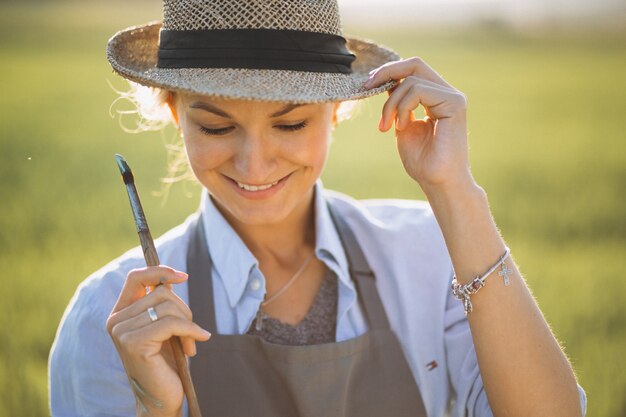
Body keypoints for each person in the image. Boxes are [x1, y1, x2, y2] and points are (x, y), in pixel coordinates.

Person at [49, 1, 587, 416]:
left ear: (337, 110)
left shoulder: (429, 255)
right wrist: (154, 408)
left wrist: (456, 191)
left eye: (290, 124)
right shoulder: (109, 318)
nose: (254, 164)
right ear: (172, 110)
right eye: (216, 126)